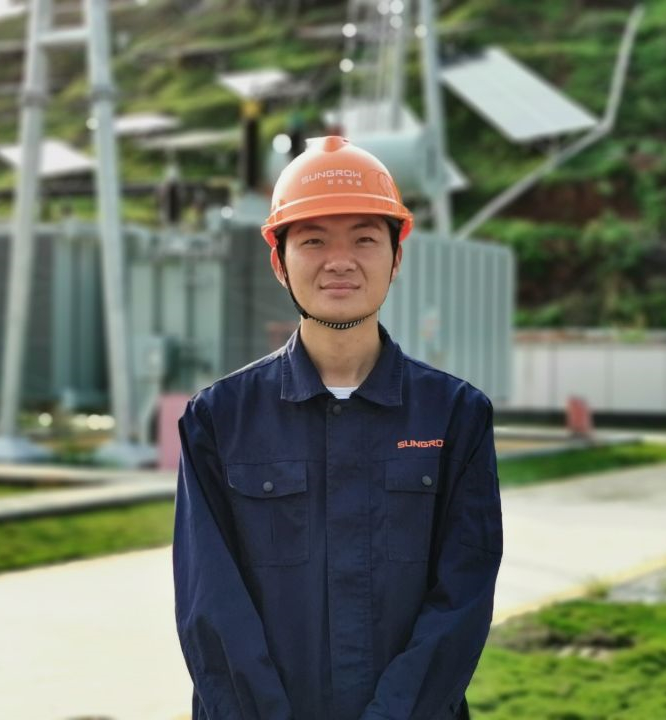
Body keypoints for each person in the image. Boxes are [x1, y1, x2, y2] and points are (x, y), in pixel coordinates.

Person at [173, 135, 503, 720]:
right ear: (279, 262)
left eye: (365, 239)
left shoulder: (455, 415)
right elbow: (211, 607)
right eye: (314, 240)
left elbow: (463, 597)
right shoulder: (218, 420)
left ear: (396, 257)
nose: (340, 260)